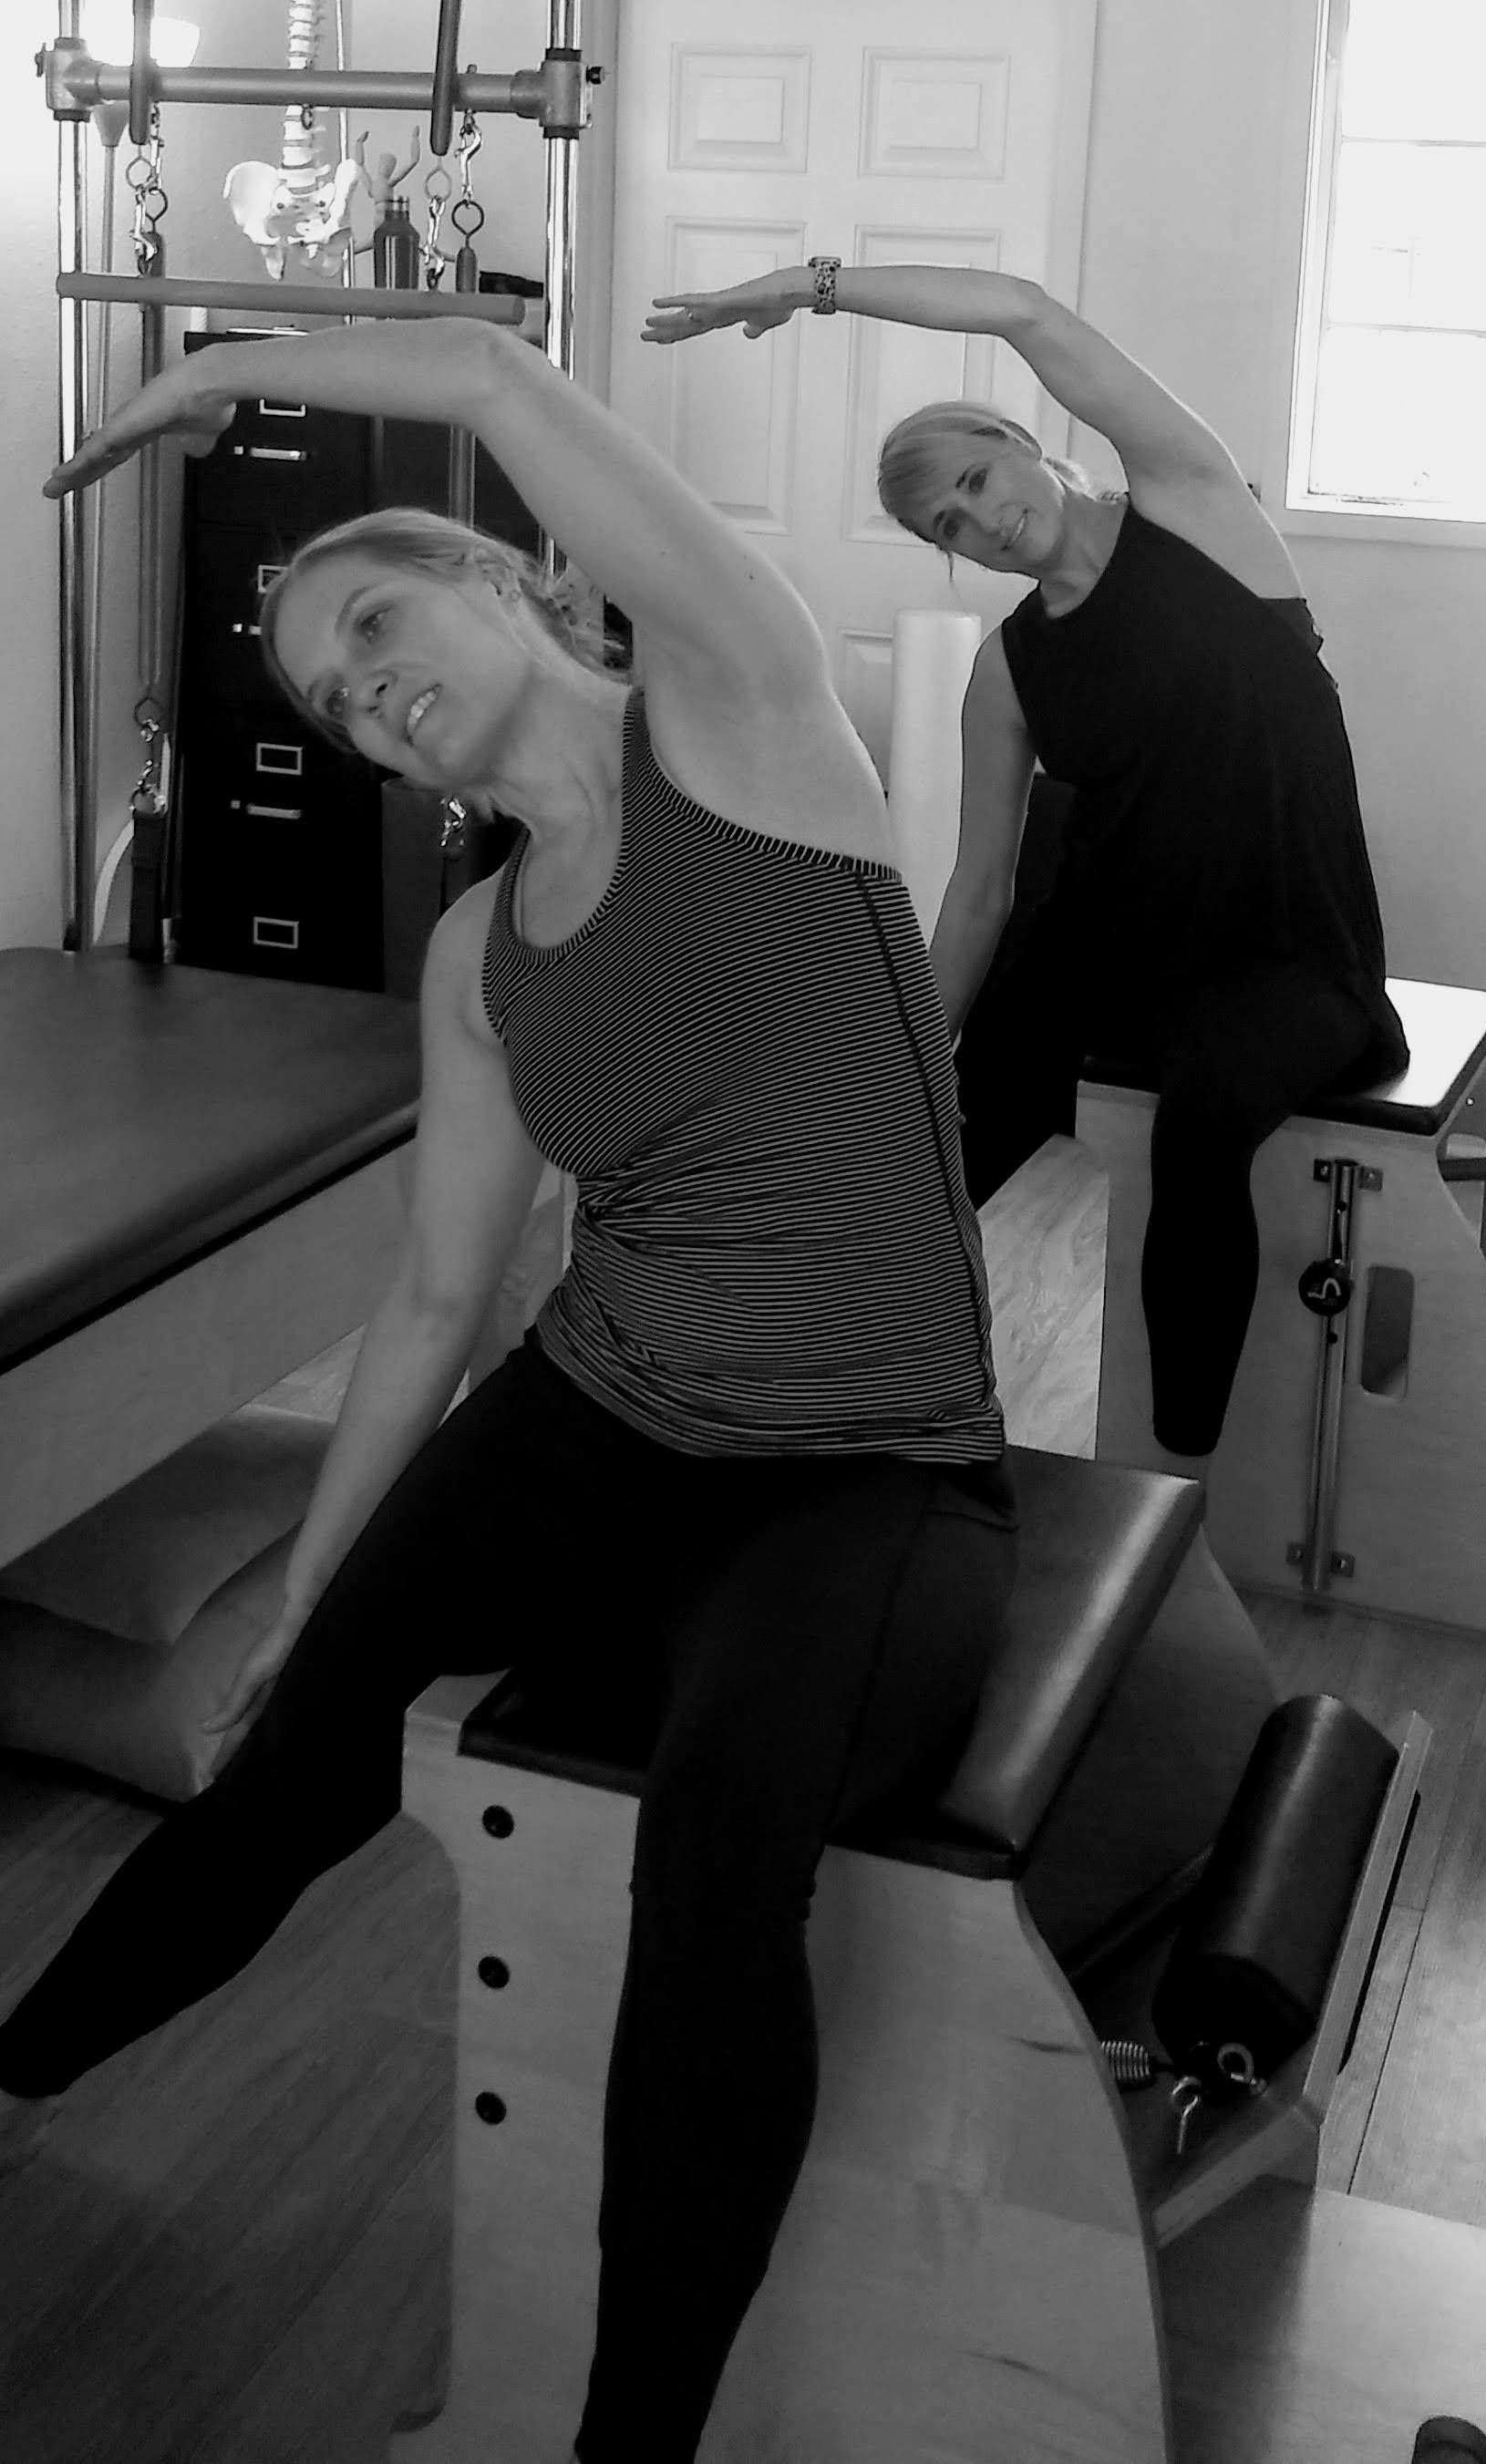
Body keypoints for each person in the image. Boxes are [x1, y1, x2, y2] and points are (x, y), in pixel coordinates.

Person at [2, 316, 1017, 2463]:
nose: (362, 687)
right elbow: (440, 1295)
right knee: (281, 1755)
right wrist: (316, 1581)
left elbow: (482, 374)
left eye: (377, 620)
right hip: (595, 1402)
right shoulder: (477, 957)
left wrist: (216, 380)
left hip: (860, 1464)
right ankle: (22, 2066)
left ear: (513, 582)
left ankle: (623, 2437)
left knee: (719, 1867)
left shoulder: (745, 723)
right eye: (329, 692)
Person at [646, 264, 1409, 1468]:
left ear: (1020, 442)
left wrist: (822, 286)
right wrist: (913, 1054)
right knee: (935, 1128)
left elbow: (1025, 312)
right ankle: (794, 1374)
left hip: (1282, 953)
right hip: (1107, 944)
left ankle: (1174, 1478)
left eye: (977, 478)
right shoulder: (1009, 669)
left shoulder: (1198, 511)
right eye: (948, 523)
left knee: (1201, 1132)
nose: (984, 519)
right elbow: (979, 892)